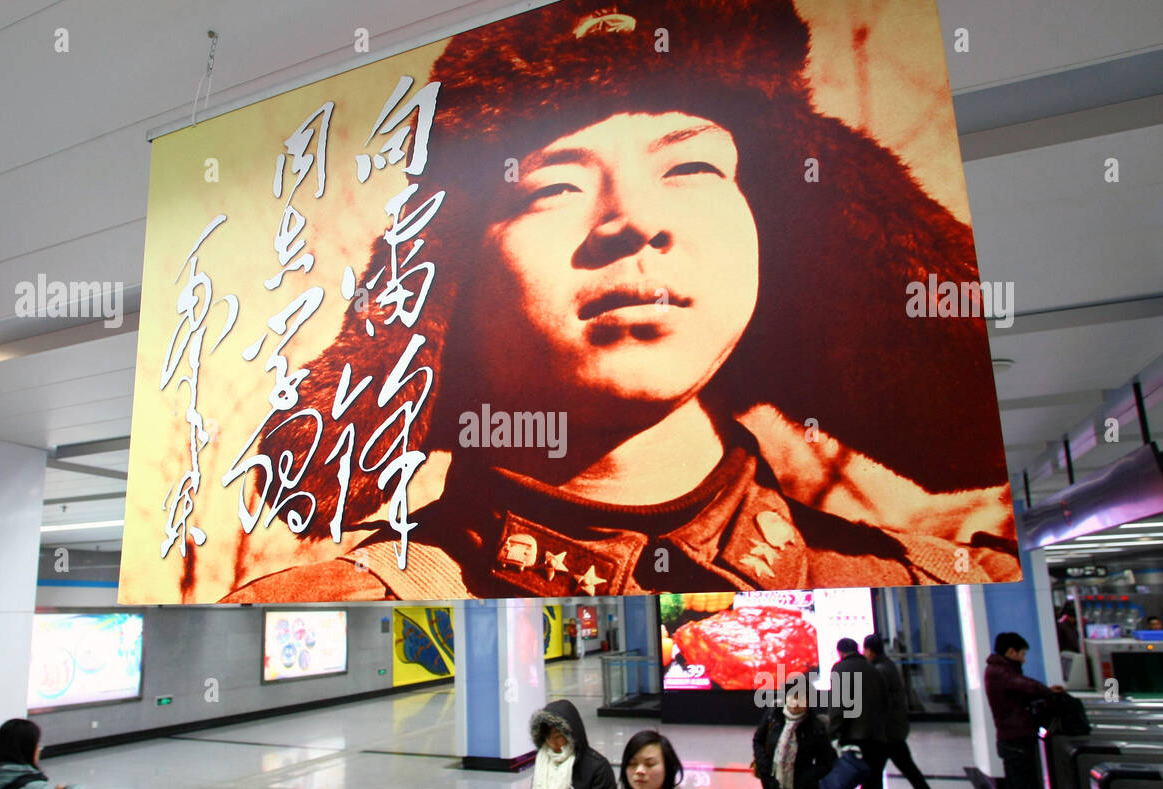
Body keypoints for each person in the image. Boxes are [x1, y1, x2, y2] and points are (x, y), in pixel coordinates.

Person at [223, 0, 1018, 604]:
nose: (632, 221)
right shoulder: (330, 607)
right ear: (452, 276)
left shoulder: (946, 587)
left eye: (694, 169)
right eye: (553, 186)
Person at [984, 632, 1064, 789]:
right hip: (1015, 742)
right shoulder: (1001, 672)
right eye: (1022, 654)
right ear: (1011, 652)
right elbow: (1025, 686)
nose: (1024, 659)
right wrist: (1050, 692)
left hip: (1014, 740)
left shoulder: (999, 670)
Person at [863, 635, 940, 789]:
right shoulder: (886, 666)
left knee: (874, 770)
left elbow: (875, 700)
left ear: (870, 651)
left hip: (886, 731)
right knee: (906, 768)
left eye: (865, 650)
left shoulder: (880, 670)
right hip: (893, 729)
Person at [828, 637, 890, 789]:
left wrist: (831, 733)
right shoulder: (874, 670)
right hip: (879, 740)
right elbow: (886, 703)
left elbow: (839, 707)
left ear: (840, 652)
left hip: (855, 741)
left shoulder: (841, 669)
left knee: (839, 785)